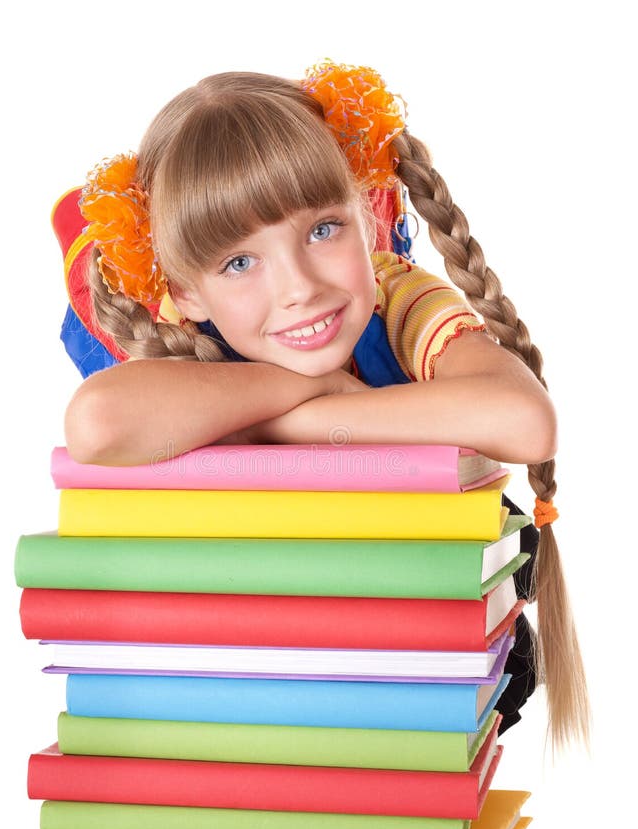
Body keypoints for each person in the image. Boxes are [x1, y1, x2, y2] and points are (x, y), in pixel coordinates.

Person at [61, 62, 589, 750]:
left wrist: (297, 422)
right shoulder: (178, 331)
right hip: (238, 662)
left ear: (368, 217)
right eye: (239, 263)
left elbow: (526, 419)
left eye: (321, 230)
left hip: (411, 656)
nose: (300, 289)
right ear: (187, 294)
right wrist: (306, 389)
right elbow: (96, 424)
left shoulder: (397, 295)